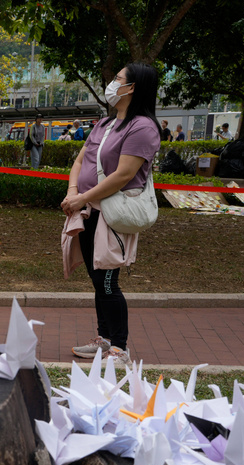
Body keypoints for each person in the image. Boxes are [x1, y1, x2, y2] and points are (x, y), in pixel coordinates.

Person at [60, 62, 162, 365]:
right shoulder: (105, 124)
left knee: (107, 282)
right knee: (97, 279)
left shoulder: (142, 127)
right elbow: (80, 162)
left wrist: (81, 199)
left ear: (132, 88)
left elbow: (122, 175)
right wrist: (72, 194)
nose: (111, 83)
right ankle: (104, 340)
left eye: (117, 79)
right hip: (89, 211)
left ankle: (119, 349)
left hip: (111, 215)